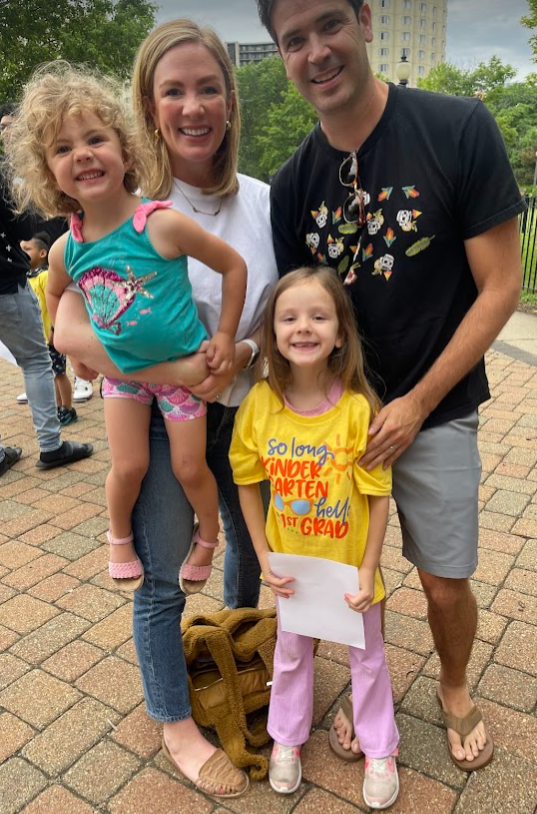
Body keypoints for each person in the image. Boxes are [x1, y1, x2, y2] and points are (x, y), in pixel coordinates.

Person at [256, 0, 524, 772]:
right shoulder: (291, 182)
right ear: (281, 54)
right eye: (293, 40)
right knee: (346, 578)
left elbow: (500, 285)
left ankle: (451, 682)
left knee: (443, 583)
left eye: (329, 24)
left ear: (366, 20)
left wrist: (412, 405)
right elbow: (292, 316)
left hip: (434, 410)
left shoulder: (457, 128)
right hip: (334, 424)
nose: (316, 52)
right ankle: (367, 687)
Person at [46, 19, 278, 798]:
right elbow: (72, 327)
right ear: (147, 107)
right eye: (171, 90)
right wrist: (178, 367)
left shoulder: (265, 203)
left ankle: (246, 656)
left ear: (230, 98)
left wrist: (239, 353)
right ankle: (174, 719)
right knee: (160, 577)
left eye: (206, 87)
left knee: (247, 553)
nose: (191, 106)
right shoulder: (118, 204)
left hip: (247, 413)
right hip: (156, 411)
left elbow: (289, 313)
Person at [9, 62, 248, 596]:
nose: (84, 154)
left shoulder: (159, 223)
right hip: (122, 378)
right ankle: (117, 535)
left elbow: (234, 266)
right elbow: (55, 294)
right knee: (128, 466)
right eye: (63, 148)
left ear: (125, 148)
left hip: (184, 375)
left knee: (191, 469)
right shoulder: (67, 247)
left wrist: (227, 336)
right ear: (49, 172)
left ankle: (208, 536)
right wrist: (72, 353)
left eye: (96, 138)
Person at [230, 266, 399, 808]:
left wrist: (369, 570)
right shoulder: (259, 405)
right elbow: (247, 484)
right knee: (291, 655)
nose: (303, 327)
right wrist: (261, 554)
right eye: (289, 317)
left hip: (348, 567)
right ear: (273, 332)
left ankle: (379, 747)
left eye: (318, 316)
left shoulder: (356, 410)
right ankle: (286, 739)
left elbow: (378, 495)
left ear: (340, 332)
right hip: (291, 570)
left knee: (367, 658)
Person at [0, 120, 93, 476]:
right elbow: (22, 228)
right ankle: (51, 446)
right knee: (37, 361)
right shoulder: (3, 174)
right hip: (5, 283)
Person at [19, 231, 78, 426]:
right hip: (39, 338)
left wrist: (55, 329)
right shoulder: (28, 278)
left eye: (27, 249)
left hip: (52, 337)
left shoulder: (45, 276)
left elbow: (54, 303)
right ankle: (58, 407)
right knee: (50, 373)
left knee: (60, 373)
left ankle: (68, 408)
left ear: (42, 253)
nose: (23, 253)